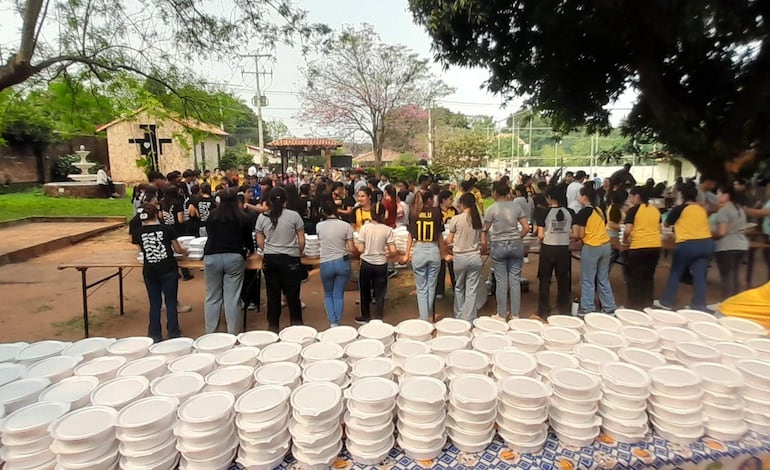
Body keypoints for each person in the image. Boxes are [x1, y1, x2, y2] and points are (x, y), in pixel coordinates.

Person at [255, 187, 306, 332]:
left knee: (273, 296)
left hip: (270, 260)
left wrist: (270, 250)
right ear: (286, 201)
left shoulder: (262, 217)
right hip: (291, 260)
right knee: (293, 296)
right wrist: (297, 252)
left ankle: (273, 329)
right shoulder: (294, 216)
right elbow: (301, 241)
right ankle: (297, 329)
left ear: (269, 201)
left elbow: (259, 242)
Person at [203, 188, 254, 334]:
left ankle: (210, 333)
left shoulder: (213, 215)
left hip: (211, 255)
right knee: (232, 298)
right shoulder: (242, 217)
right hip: (234, 257)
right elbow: (248, 240)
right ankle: (233, 333)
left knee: (212, 297)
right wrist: (251, 251)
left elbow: (209, 233)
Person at [658, 183, 715, 311]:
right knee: (699, 276)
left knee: (676, 272)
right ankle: (699, 305)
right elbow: (693, 226)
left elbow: (666, 224)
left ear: (681, 195)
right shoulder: (701, 209)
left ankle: (667, 301)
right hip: (706, 244)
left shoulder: (679, 209)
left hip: (688, 245)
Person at [136, 201, 186, 342]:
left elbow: (141, 250)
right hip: (168, 268)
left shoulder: (138, 232)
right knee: (170, 301)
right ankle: (173, 332)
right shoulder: (167, 229)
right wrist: (184, 251)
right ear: (156, 214)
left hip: (150, 270)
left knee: (155, 303)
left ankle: (154, 334)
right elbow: (177, 249)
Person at [482, 181, 530, 321]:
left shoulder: (492, 209)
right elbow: (526, 228)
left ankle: (501, 314)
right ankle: (515, 314)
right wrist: (517, 237)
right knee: (515, 281)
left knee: (501, 281)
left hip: (499, 246)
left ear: (495, 193)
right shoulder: (516, 206)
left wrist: (485, 241)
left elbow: (485, 229)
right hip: (515, 245)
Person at [401, 190, 446, 321]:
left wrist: (406, 253)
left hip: (419, 249)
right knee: (431, 286)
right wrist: (444, 253)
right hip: (433, 249)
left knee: (421, 288)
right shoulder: (436, 212)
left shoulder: (414, 212)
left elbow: (410, 235)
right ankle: (427, 315)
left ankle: (424, 318)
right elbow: (440, 236)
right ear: (430, 200)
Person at [572, 184, 616, 314]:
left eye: (579, 195)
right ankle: (609, 307)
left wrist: (569, 235)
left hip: (592, 247)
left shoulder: (583, 212)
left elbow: (578, 235)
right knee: (603, 279)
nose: (578, 197)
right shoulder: (598, 210)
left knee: (587, 279)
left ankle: (588, 308)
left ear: (584, 197)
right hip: (605, 246)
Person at [316, 199, 355, 328]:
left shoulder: (319, 226)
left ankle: (333, 321)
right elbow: (351, 248)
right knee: (338, 293)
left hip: (325, 262)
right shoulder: (346, 226)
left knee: (328, 293)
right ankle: (337, 320)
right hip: (342, 262)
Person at [355, 202, 397, 323]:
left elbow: (361, 249)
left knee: (364, 291)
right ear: (384, 214)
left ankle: (365, 316)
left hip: (366, 263)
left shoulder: (365, 228)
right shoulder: (387, 230)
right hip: (381, 264)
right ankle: (379, 316)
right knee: (380, 292)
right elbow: (393, 250)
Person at [622, 186, 662, 310]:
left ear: (637, 196)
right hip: (655, 247)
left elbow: (628, 230)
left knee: (634, 277)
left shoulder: (633, 210)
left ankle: (634, 305)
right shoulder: (655, 210)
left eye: (631, 196)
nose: (630, 199)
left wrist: (624, 240)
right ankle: (647, 303)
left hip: (638, 247)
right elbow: (659, 229)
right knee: (649, 276)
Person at [536, 186, 572, 318]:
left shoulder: (543, 213)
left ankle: (544, 310)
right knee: (563, 279)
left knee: (545, 280)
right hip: (563, 248)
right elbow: (572, 231)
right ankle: (564, 308)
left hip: (548, 248)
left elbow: (540, 235)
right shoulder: (569, 212)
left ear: (549, 198)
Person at [446, 193, 483, 321]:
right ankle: (470, 317)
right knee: (472, 289)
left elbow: (449, 240)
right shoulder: (479, 219)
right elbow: (483, 242)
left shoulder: (456, 219)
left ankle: (459, 316)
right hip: (475, 256)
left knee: (459, 287)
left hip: (460, 257)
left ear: (462, 204)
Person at [713, 184, 748, 300]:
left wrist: (711, 233)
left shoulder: (724, 210)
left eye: (720, 193)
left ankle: (726, 302)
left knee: (726, 277)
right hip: (742, 245)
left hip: (727, 246)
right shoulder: (740, 209)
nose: (718, 196)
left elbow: (722, 232)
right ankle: (735, 301)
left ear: (727, 195)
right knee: (735, 275)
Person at [436, 190, 458, 299]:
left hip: (451, 241)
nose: (452, 201)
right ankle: (439, 291)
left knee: (453, 265)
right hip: (440, 242)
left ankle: (456, 288)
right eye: (450, 199)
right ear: (443, 200)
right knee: (440, 266)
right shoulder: (436, 211)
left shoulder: (454, 211)